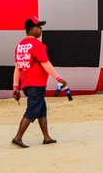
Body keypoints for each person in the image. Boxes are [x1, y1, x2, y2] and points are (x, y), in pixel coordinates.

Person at [11, 16, 67, 148]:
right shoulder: (37, 45)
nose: (41, 29)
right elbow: (46, 63)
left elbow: (17, 68)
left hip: (27, 84)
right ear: (31, 29)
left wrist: (15, 87)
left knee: (41, 109)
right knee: (32, 110)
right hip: (36, 84)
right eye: (39, 27)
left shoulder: (19, 46)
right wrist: (59, 78)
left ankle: (46, 137)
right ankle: (17, 137)